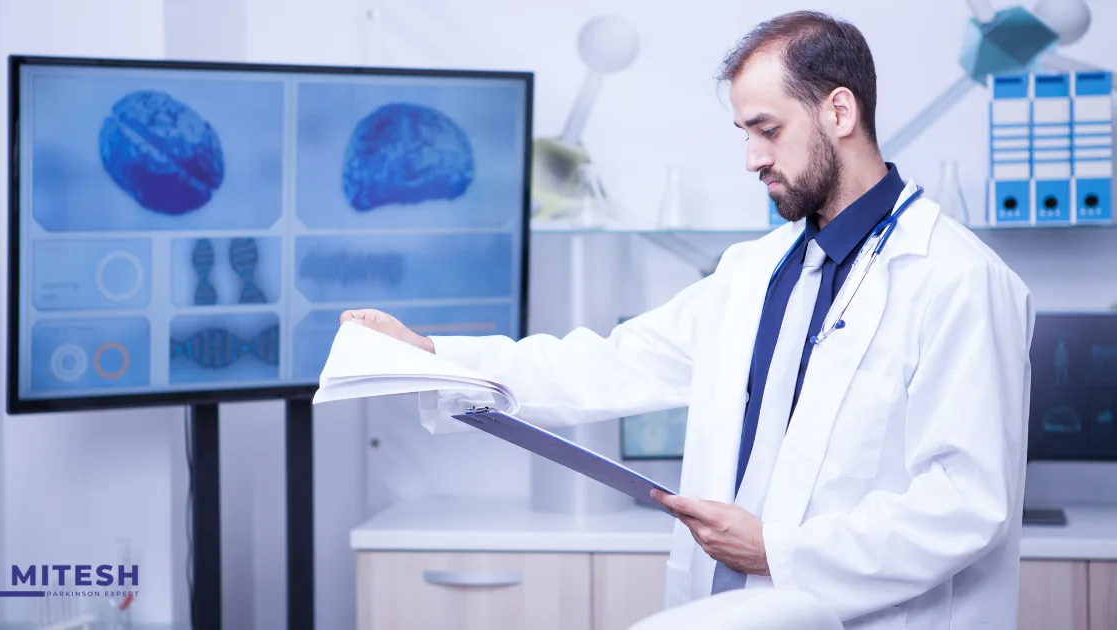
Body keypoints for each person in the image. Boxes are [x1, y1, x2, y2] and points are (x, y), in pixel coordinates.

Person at [340, 10, 1034, 629]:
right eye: (744, 133)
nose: (752, 158)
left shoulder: (958, 280)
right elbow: (610, 362)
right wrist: (433, 355)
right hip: (735, 609)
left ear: (840, 113)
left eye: (768, 130)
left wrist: (777, 550)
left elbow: (968, 505)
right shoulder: (757, 272)